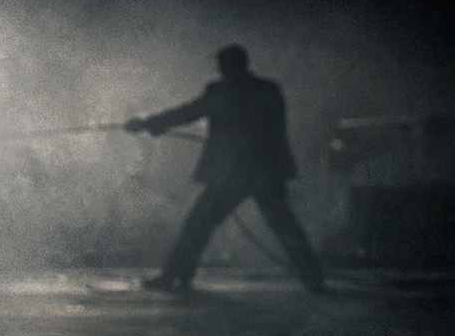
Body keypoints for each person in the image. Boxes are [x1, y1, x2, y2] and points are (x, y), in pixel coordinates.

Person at [126, 44, 325, 293]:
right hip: (265, 173)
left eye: (221, 64)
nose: (219, 69)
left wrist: (149, 124)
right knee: (285, 228)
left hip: (231, 175)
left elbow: (189, 112)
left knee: (198, 225)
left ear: (228, 65)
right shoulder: (267, 89)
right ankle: (314, 279)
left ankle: (175, 276)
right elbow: (273, 129)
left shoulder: (221, 91)